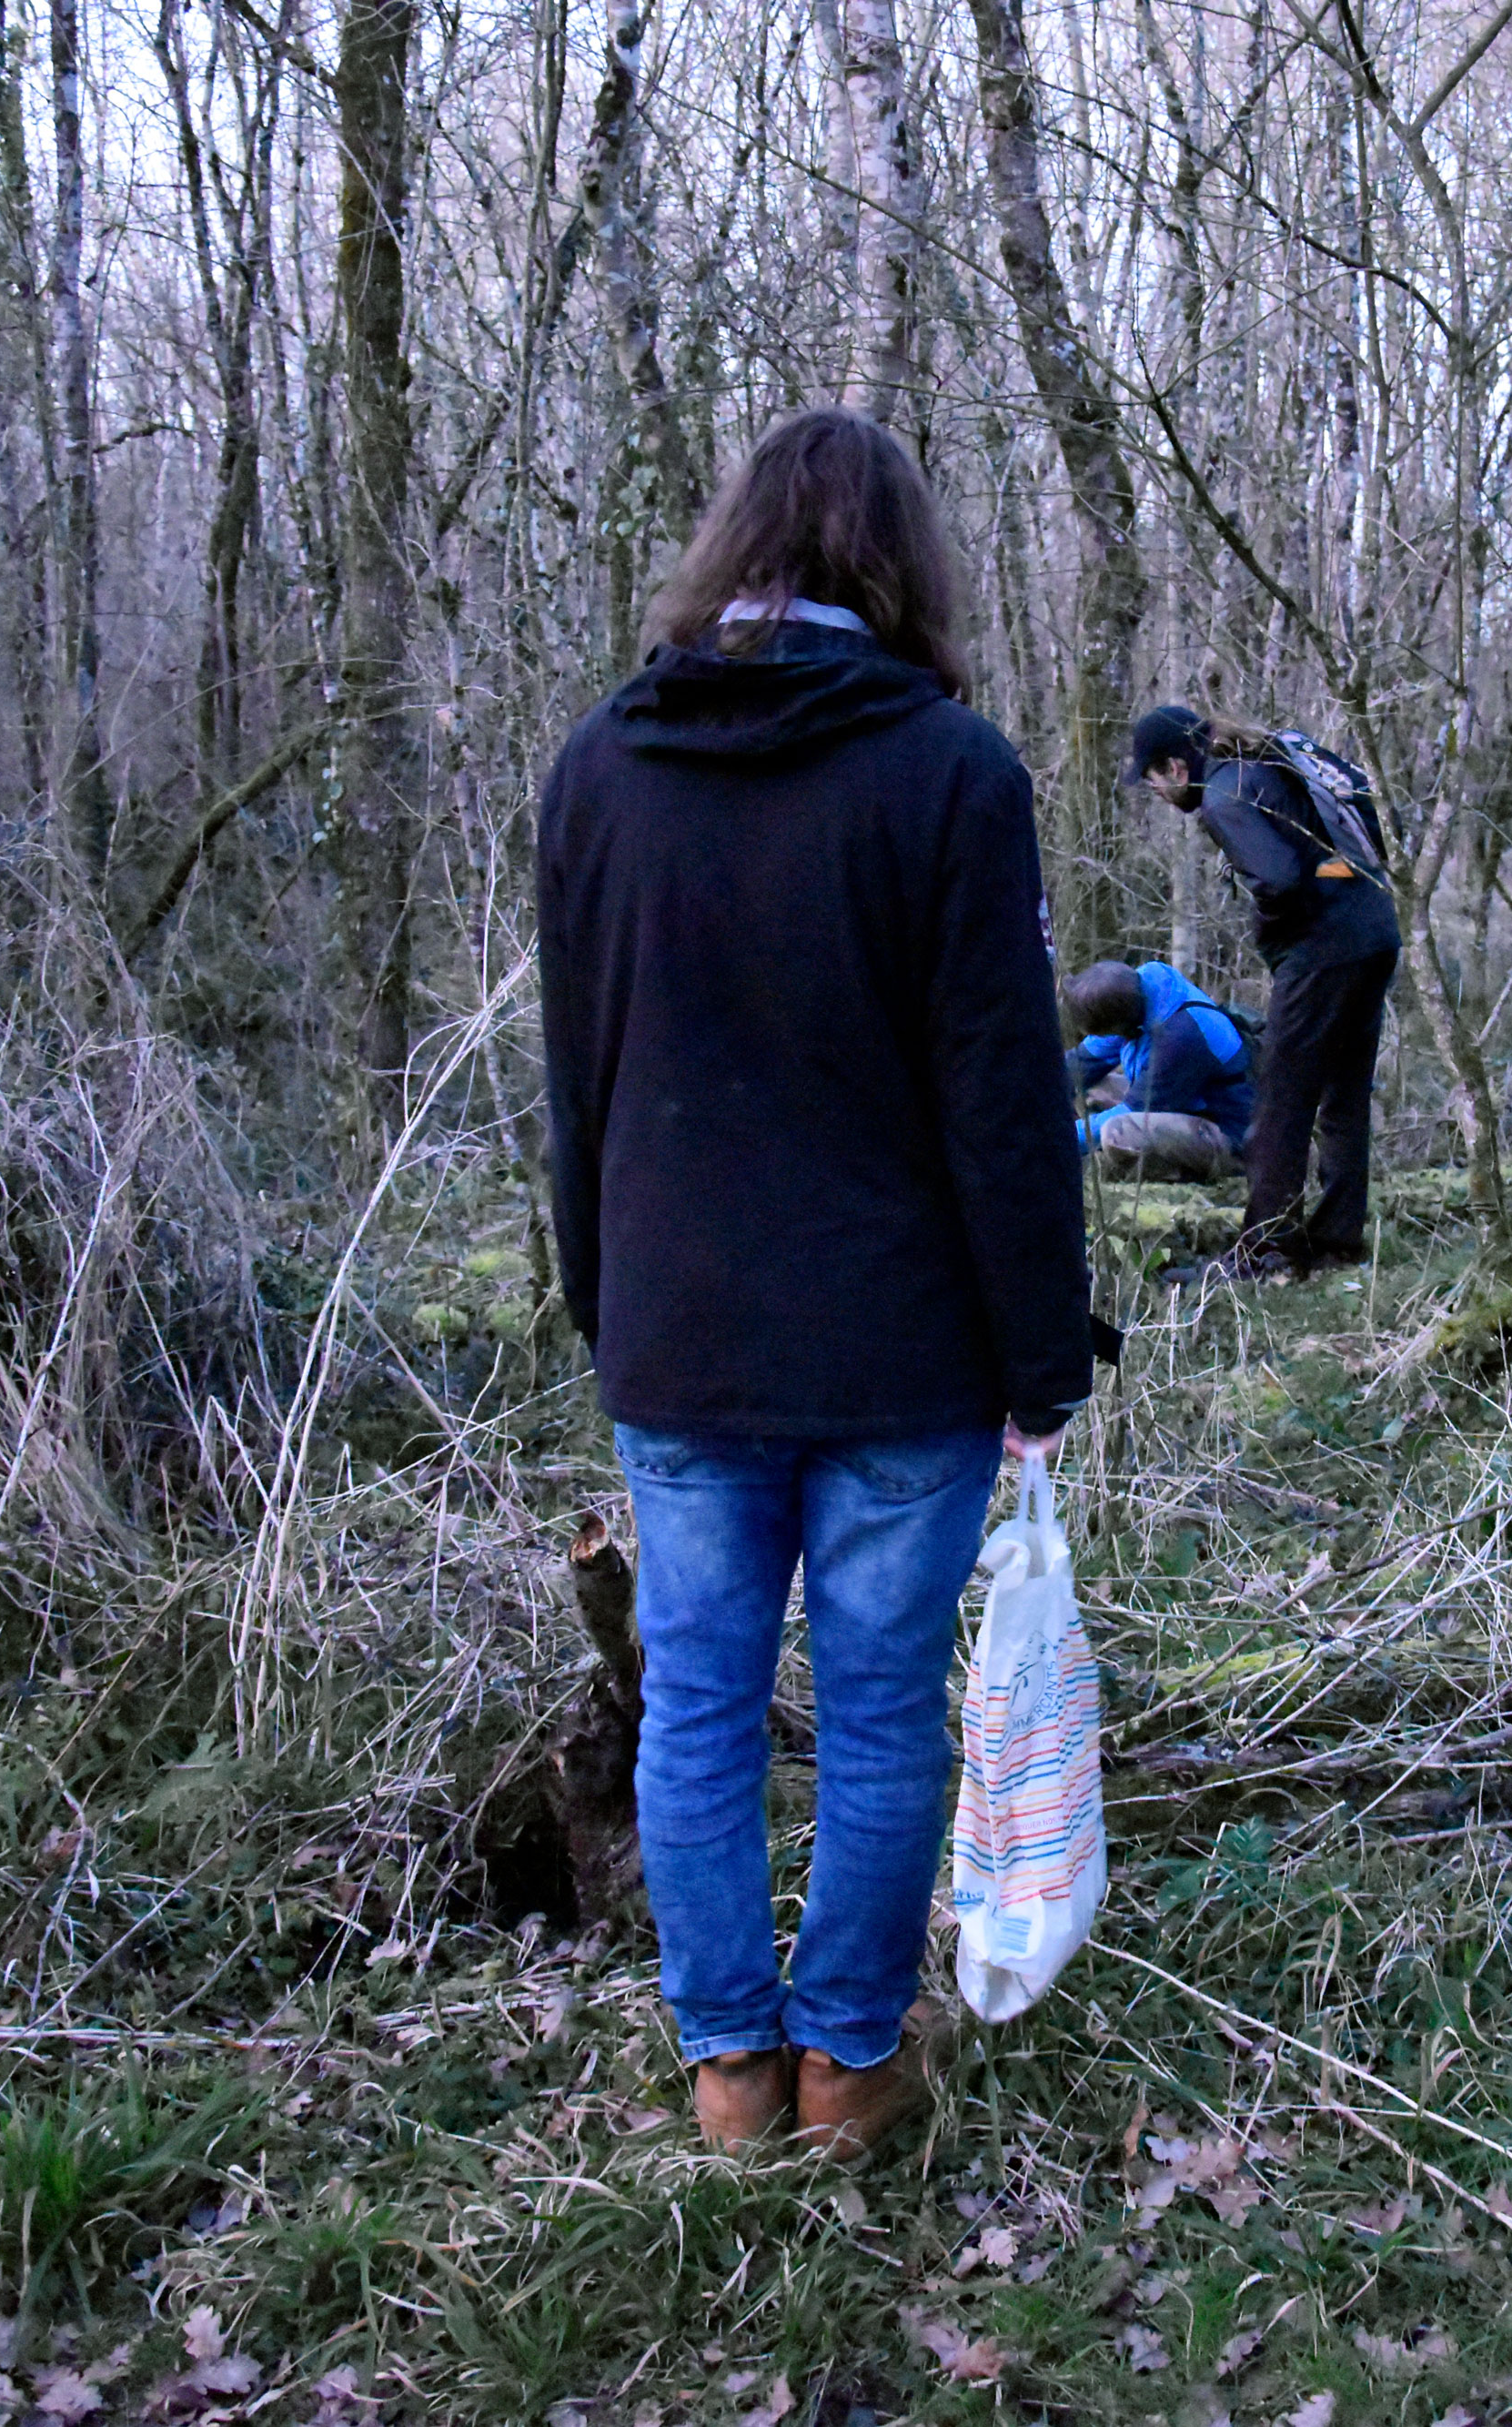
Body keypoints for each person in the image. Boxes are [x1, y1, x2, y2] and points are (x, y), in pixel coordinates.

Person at [536, 408, 1092, 2160]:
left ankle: (732, 2076)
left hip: (683, 1330)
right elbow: (1007, 1106)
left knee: (699, 1705)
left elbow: (577, 1083)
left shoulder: (601, 767)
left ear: (733, 550)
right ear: (902, 565)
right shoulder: (952, 773)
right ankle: (845, 2063)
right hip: (901, 1347)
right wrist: (1041, 1355)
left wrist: (605, 1302)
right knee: (874, 1710)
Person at [1129, 705, 1401, 1278]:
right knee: (1345, 1094)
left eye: (1151, 778)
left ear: (1175, 766)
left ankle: (1267, 1251)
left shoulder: (1223, 797)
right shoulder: (1264, 764)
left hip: (1323, 949)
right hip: (1374, 929)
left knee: (1280, 1099)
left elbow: (1279, 878)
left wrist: (1276, 929)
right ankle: (1337, 1243)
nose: (1154, 791)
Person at [1064, 957, 1252, 1182]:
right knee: (1092, 1087)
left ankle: (1195, 1178)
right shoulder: (1133, 995)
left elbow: (1134, 1111)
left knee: (1118, 1133)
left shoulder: (1182, 1037)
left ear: (1118, 1024)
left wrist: (1055, 1139)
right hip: (1180, 1106)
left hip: (1228, 1137)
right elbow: (1079, 1064)